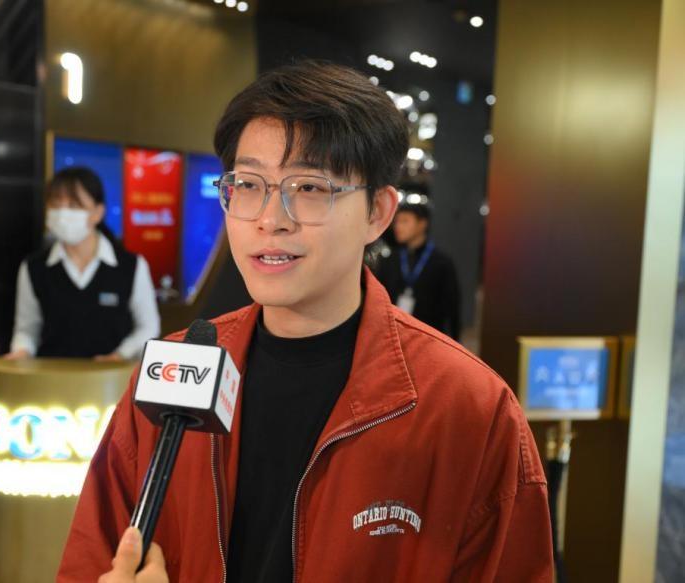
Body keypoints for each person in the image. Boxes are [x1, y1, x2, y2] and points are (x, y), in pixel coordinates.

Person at [58, 61, 553, 582]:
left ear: (378, 213)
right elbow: (91, 558)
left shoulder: (467, 406)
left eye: (311, 188)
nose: (271, 219)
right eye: (248, 184)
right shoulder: (173, 374)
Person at [5, 167, 160, 361]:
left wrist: (120, 355)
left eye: (74, 205)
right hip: (51, 375)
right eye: (56, 205)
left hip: (112, 376)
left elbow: (148, 327)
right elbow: (27, 329)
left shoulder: (131, 266)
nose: (63, 213)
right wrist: (21, 352)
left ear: (98, 212)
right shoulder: (34, 267)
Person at [374, 200, 462, 341]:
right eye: (396, 222)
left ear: (422, 224)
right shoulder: (390, 260)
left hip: (429, 338)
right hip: (393, 336)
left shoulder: (441, 262)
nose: (398, 226)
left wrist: (455, 340)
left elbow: (452, 307)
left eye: (405, 221)